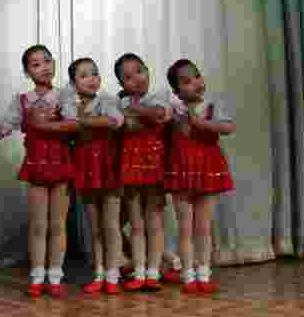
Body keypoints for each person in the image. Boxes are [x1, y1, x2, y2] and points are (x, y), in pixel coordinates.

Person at [0, 45, 74, 298]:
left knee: (58, 224)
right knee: (38, 225)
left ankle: (55, 277)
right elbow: (4, 127)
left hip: (63, 164)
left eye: (47, 60)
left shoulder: (65, 97)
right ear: (26, 72)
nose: (43, 66)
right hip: (36, 165)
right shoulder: (22, 101)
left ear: (54, 63)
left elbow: (75, 125)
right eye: (35, 64)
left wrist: (48, 124)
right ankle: (36, 276)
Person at [164, 59, 235, 293]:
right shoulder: (174, 111)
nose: (195, 83)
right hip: (182, 169)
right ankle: (188, 275)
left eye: (197, 76)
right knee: (185, 227)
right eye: (186, 81)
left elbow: (228, 127)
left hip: (206, 167)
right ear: (176, 90)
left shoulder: (212, 106)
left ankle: (204, 274)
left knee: (203, 226)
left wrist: (202, 123)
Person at [61, 57, 125, 294]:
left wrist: (84, 120)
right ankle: (99, 272)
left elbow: (115, 121)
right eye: (84, 75)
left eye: (95, 73)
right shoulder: (70, 104)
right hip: (86, 164)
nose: (92, 79)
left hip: (108, 163)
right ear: (73, 82)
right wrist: (81, 119)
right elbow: (70, 124)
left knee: (111, 224)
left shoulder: (107, 99)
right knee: (95, 226)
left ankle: (113, 274)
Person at [114, 53, 172, 291]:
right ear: (122, 85)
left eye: (140, 70)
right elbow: (119, 124)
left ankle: (153, 272)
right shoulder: (120, 104)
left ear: (148, 70)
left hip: (155, 164)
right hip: (131, 165)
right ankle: (138, 271)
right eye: (128, 77)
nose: (137, 79)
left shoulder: (160, 96)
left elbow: (160, 114)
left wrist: (135, 110)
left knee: (155, 222)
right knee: (136, 223)